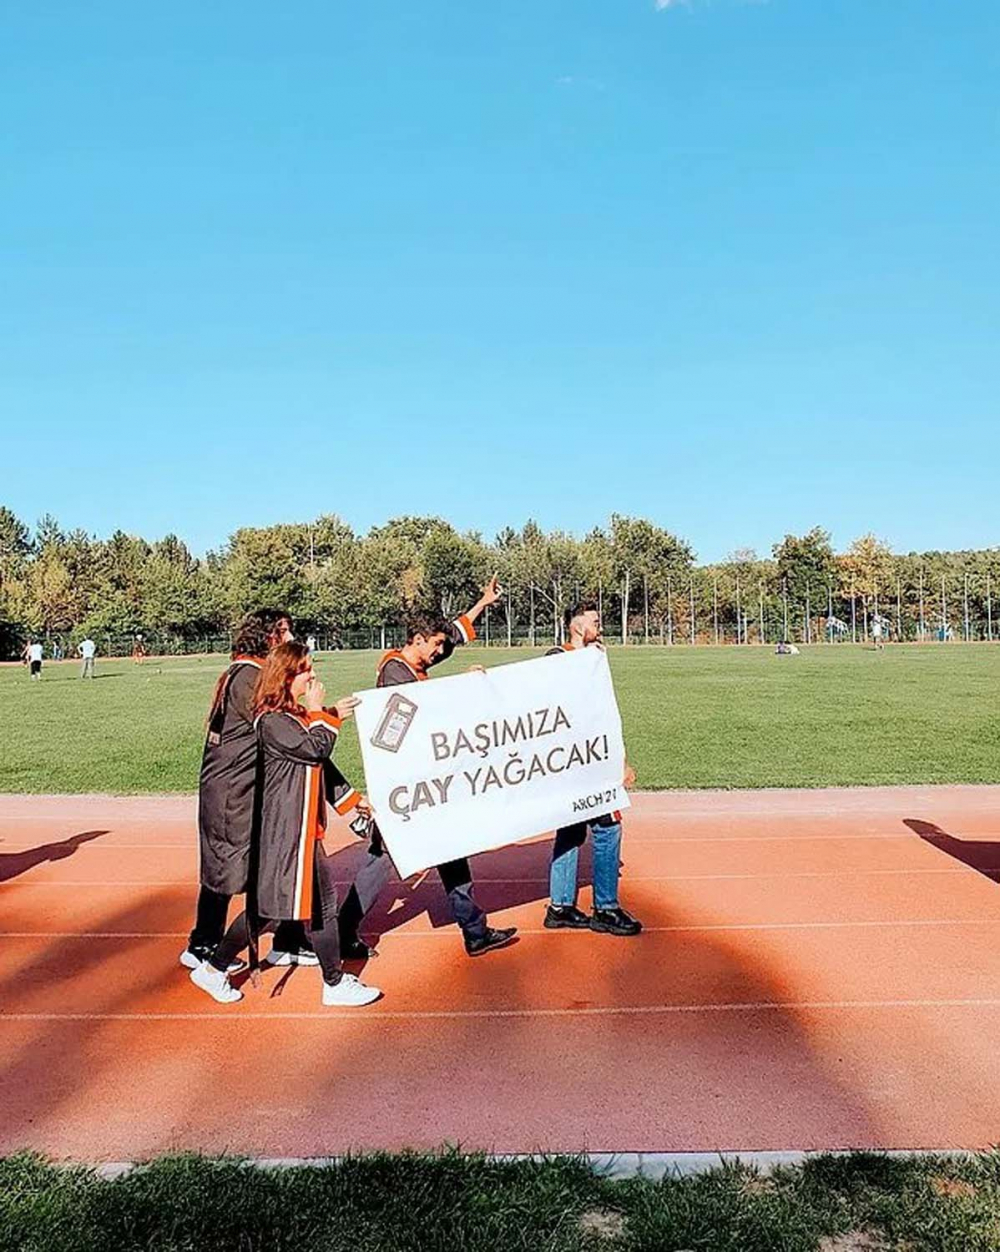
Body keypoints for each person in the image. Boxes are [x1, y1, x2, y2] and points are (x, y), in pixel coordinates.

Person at [191, 641, 380, 1007]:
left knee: (290, 907)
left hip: (301, 830)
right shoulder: (271, 721)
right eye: (306, 669)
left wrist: (354, 802)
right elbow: (314, 749)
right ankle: (332, 982)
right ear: (287, 677)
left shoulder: (291, 719)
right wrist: (322, 712)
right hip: (286, 833)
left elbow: (321, 767)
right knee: (289, 908)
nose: (313, 675)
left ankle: (217, 970)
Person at [361, 577, 517, 958]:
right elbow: (416, 714)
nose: (439, 653)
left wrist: (482, 603)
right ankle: (341, 929)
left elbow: (454, 636)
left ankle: (474, 931)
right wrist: (463, 688)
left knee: (451, 850)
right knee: (383, 860)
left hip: (425, 783)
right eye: (434, 646)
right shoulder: (394, 671)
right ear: (417, 639)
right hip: (405, 785)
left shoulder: (418, 660)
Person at [541, 602, 642, 936]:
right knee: (608, 828)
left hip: (589, 757)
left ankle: (561, 905)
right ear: (576, 625)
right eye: (594, 621)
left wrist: (621, 759)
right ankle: (606, 907)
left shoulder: (593, 658)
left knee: (570, 830)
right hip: (579, 762)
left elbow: (604, 714)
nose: (600, 625)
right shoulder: (559, 656)